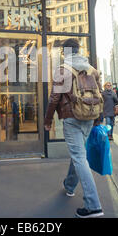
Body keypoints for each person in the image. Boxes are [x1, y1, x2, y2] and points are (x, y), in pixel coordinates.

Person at [44, 38, 104, 218]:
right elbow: (99, 94)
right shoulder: (91, 69)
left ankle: (93, 206)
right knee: (79, 155)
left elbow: (55, 97)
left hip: (71, 117)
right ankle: (70, 186)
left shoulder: (63, 69)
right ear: (79, 50)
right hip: (89, 116)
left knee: (79, 157)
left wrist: (48, 120)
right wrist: (97, 118)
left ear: (65, 53)